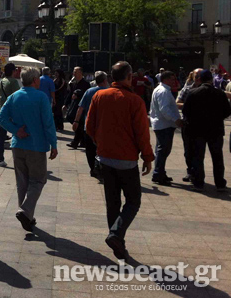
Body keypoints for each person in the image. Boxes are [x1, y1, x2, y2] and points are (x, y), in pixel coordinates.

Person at [86, 61, 154, 260]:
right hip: (126, 160)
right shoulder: (135, 101)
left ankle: (117, 242)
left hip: (105, 158)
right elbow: (142, 134)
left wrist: (101, 143)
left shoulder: (99, 95)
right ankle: (116, 235)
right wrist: (148, 157)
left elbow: (89, 126)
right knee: (133, 200)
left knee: (112, 202)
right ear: (129, 76)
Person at [0, 67, 58, 232]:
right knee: (38, 180)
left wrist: (16, 130)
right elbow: (48, 123)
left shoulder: (14, 96)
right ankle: (25, 211)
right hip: (36, 146)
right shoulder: (41, 97)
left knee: (22, 182)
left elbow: (1, 117)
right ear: (35, 80)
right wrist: (54, 144)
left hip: (18, 145)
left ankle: (26, 216)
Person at [182, 70, 231, 192]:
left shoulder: (193, 93)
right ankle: (220, 183)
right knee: (217, 157)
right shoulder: (220, 93)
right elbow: (227, 111)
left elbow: (185, 111)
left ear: (200, 79)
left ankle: (199, 182)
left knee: (198, 157)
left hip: (197, 130)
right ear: (211, 79)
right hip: (216, 130)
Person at [149, 71, 183, 185]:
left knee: (162, 150)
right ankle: (158, 173)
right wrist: (176, 119)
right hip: (164, 125)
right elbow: (164, 110)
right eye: (172, 79)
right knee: (163, 150)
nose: (174, 82)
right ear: (165, 80)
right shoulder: (163, 91)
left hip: (163, 124)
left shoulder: (162, 90)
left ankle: (160, 172)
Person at [72, 71, 109, 179]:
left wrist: (76, 121)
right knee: (102, 149)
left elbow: (81, 108)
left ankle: (93, 168)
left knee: (90, 150)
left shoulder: (89, 91)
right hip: (104, 127)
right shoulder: (109, 92)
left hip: (89, 126)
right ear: (105, 81)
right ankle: (101, 168)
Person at [176, 68, 203, 182]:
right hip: (188, 123)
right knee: (188, 150)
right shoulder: (187, 89)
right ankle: (190, 172)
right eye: (196, 76)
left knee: (199, 151)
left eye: (200, 76)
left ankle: (197, 174)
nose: (198, 78)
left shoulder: (209, 89)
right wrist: (189, 106)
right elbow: (177, 102)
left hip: (203, 124)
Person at [0, 63, 20, 167]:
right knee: (17, 135)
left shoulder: (2, 81)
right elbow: (18, 97)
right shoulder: (13, 82)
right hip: (12, 113)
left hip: (2, 111)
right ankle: (19, 159)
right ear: (13, 71)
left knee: (1, 137)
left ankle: (0, 159)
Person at [64, 67, 90, 149]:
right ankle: (82, 141)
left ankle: (75, 142)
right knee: (74, 120)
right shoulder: (74, 83)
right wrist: (65, 104)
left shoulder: (85, 84)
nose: (74, 73)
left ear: (80, 73)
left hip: (81, 107)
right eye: (73, 72)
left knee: (79, 123)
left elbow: (86, 95)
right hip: (74, 106)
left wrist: (78, 94)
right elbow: (70, 94)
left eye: (76, 72)